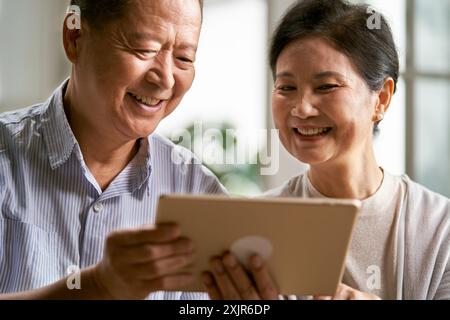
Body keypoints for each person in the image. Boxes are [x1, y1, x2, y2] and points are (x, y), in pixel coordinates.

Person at [202, 0, 450, 300]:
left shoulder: (439, 228)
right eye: (286, 88)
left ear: (381, 98)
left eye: (327, 86)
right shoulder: (254, 229)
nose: (302, 108)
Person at [0, 0, 227, 300]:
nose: (166, 79)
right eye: (144, 50)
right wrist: (97, 287)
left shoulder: (199, 192)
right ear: (74, 38)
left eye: (184, 58)